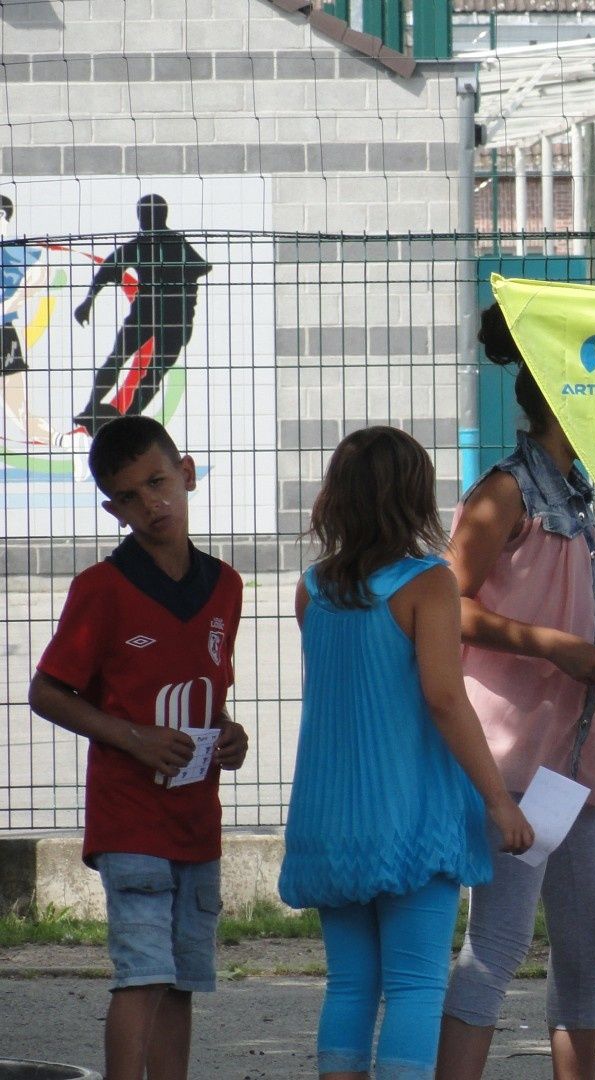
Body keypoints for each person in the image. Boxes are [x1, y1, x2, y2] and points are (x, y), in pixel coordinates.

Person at [437, 303, 595, 1080]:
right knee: (497, 945)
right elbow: (447, 609)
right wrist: (554, 647)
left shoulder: (583, 496)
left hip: (576, 765)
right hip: (517, 764)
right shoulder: (504, 494)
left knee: (586, 942)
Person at [278, 426, 533, 1080]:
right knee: (417, 984)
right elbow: (445, 699)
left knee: (349, 984)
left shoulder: (312, 588)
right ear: (415, 498)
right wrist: (499, 801)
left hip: (330, 817)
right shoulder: (428, 583)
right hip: (411, 818)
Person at [27, 415, 250, 1080]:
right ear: (112, 510)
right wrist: (133, 738)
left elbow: (205, 693)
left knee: (181, 982)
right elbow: (47, 691)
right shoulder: (101, 588)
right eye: (129, 496)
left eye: (158, 482)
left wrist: (229, 733)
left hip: (196, 820)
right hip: (130, 819)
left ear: (187, 474)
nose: (151, 503)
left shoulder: (226, 586)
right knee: (143, 976)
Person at [73, 194, 211, 433]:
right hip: (157, 314)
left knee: (144, 369)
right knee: (122, 361)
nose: (144, 220)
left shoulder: (165, 244)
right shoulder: (144, 245)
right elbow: (107, 269)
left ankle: (127, 417)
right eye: (143, 215)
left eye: (146, 215)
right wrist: (87, 302)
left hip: (168, 315)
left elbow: (199, 269)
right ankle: (96, 409)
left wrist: (88, 302)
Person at [1, 192, 59, 446]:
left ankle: (63, 442)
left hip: (3, 334)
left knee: (20, 414)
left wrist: (10, 303)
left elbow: (41, 273)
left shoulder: (11, 252)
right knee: (20, 414)